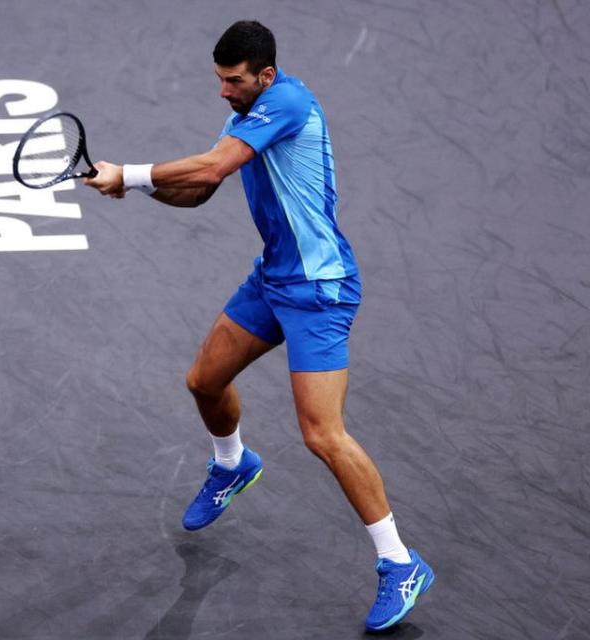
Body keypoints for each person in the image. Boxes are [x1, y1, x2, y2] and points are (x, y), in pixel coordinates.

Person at [84, 20, 434, 632]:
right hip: (273, 279)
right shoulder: (244, 116)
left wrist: (132, 173)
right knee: (204, 382)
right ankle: (233, 463)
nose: (223, 90)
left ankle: (400, 563)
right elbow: (197, 190)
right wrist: (133, 191)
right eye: (219, 80)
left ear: (265, 75)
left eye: (234, 80)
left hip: (319, 291)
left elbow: (215, 167)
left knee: (323, 435)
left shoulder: (290, 101)